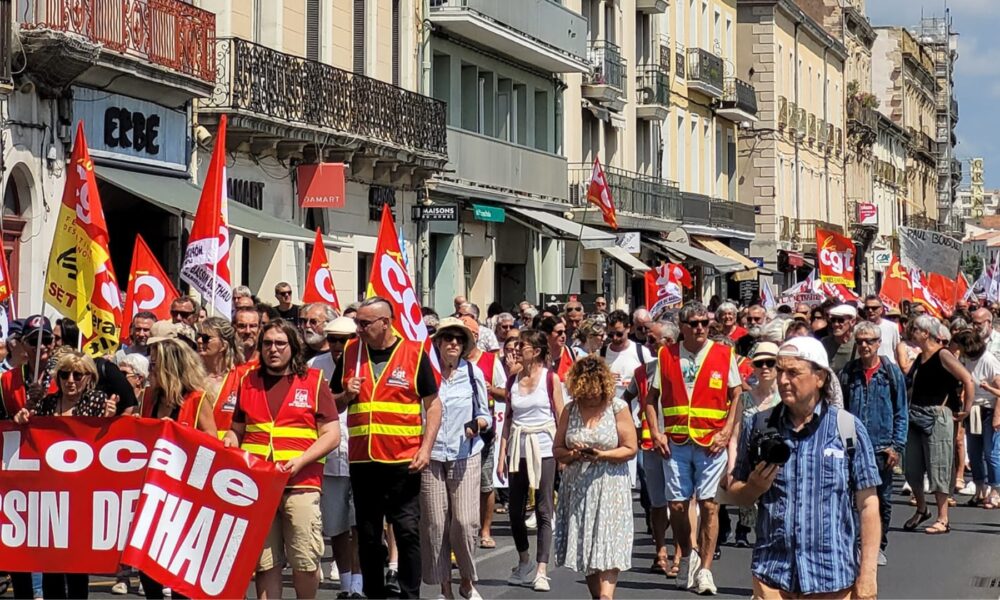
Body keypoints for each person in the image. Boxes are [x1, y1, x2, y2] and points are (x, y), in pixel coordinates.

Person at [728, 336, 882, 599]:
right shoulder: (760, 426)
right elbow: (733, 491)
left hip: (831, 578)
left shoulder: (847, 429)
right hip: (772, 576)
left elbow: (868, 504)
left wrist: (868, 573)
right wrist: (752, 487)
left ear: (819, 377)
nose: (783, 380)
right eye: (780, 371)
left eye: (793, 372)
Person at [332, 297, 442, 599]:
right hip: (362, 460)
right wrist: (345, 394)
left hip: (403, 459)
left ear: (386, 322)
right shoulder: (351, 353)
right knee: (367, 534)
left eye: (365, 323)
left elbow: (433, 406)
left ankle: (410, 593)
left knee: (406, 530)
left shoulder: (414, 353)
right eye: (357, 323)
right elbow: (330, 404)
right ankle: (374, 593)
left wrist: (426, 448)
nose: (359, 329)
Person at [224, 320, 340, 600]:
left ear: (293, 346)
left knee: (305, 560)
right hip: (258, 484)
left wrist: (300, 461)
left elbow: (331, 435)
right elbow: (236, 429)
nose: (272, 349)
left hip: (301, 483)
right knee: (265, 563)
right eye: (267, 344)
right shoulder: (247, 380)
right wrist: (230, 441)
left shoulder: (314, 382)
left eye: (280, 343)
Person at [644, 302, 742, 595]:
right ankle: (688, 554)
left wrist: (726, 432)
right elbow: (651, 398)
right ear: (683, 326)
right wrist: (656, 432)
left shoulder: (724, 354)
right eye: (694, 323)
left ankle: (706, 571)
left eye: (704, 323)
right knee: (677, 505)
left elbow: (736, 394)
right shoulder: (666, 354)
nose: (700, 328)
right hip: (675, 441)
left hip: (711, 442)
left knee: (710, 506)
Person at [12, 351, 115, 600]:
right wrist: (23, 416)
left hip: (81, 495)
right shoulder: (47, 404)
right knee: (51, 564)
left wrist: (110, 421)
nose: (70, 380)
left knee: (76, 566)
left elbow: (107, 442)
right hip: (51, 494)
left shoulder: (98, 402)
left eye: (77, 375)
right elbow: (30, 437)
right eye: (64, 374)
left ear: (88, 377)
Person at [553, 356, 636, 600]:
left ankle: (606, 597)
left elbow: (630, 448)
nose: (590, 396)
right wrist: (572, 453)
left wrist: (603, 454)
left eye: (594, 391)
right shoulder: (570, 409)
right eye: (584, 391)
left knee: (608, 540)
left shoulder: (617, 407)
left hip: (609, 483)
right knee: (585, 544)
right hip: (577, 485)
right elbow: (557, 449)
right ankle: (598, 597)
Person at [419, 318, 490, 600]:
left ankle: (467, 580)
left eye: (459, 340)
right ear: (437, 342)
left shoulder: (473, 373)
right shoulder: (426, 373)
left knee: (464, 522)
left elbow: (485, 413)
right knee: (436, 524)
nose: (453, 343)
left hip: (465, 454)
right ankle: (444, 588)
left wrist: (477, 424)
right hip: (432, 455)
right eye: (447, 338)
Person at [497, 329, 564, 592]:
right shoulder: (512, 379)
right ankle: (523, 559)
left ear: (535, 351)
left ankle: (541, 568)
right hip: (518, 447)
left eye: (521, 345)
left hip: (545, 447)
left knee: (544, 509)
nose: (515, 349)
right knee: (515, 510)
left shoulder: (551, 378)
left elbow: (560, 415)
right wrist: (502, 453)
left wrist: (561, 453)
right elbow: (509, 418)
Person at [839, 321, 909, 566]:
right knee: (853, 499)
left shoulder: (890, 373)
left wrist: (897, 446)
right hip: (855, 448)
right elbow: (841, 411)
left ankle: (879, 544)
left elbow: (901, 411)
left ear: (879, 343)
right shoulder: (848, 373)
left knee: (883, 499)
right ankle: (858, 544)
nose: (864, 346)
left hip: (882, 449)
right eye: (860, 342)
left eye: (869, 341)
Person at [903, 315, 974, 535]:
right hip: (915, 415)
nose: (911, 332)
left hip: (938, 415)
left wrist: (966, 409)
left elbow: (967, 379)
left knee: (938, 466)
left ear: (926, 333)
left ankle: (943, 518)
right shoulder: (919, 357)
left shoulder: (942, 354)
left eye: (915, 329)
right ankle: (922, 509)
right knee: (912, 467)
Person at [309, 316, 364, 598]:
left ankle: (358, 583)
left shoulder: (366, 363)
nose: (338, 346)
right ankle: (346, 584)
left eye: (344, 340)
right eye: (332, 340)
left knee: (361, 524)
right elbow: (326, 409)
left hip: (363, 456)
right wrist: (345, 393)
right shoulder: (314, 368)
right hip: (330, 458)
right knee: (337, 525)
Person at [723, 342, 782, 549]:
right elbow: (734, 437)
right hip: (750, 466)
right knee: (754, 516)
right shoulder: (744, 398)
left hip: (779, 468)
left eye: (770, 363)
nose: (765, 367)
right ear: (753, 367)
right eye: (759, 363)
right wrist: (732, 470)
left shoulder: (785, 399)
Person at [951, 328, 1000, 508]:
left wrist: (997, 415)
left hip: (989, 408)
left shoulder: (988, 360)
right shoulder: (965, 360)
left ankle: (995, 490)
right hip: (973, 410)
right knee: (974, 452)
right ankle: (980, 488)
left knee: (991, 452)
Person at [197, 317, 243, 399]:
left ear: (223, 345)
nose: (199, 340)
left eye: (206, 338)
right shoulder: (192, 376)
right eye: (198, 336)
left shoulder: (239, 376)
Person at [861, 296, 903, 366]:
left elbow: (897, 352)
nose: (870, 310)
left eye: (874, 308)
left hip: (888, 369)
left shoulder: (892, 327)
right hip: (867, 368)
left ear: (881, 309)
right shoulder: (860, 328)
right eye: (867, 308)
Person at [538, 316, 577, 382]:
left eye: (565, 332)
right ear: (547, 334)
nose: (563, 336)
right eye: (559, 332)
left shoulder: (572, 355)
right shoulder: (538, 356)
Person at [821, 304, 859, 373]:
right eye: (833, 320)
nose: (836, 324)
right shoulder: (825, 343)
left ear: (852, 322)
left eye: (840, 320)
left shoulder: (859, 344)